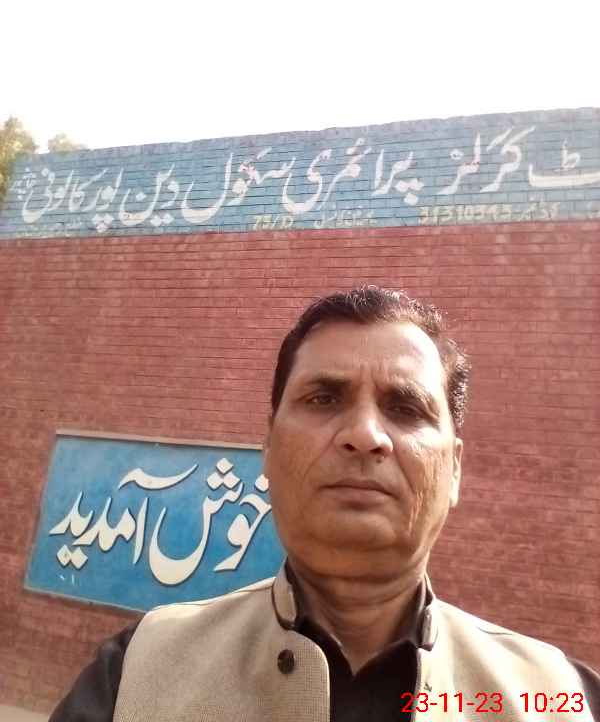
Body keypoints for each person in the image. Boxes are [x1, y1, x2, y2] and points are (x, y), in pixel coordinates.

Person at [50, 286, 599, 721]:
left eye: (405, 408)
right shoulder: (134, 675)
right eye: (323, 398)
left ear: (454, 468)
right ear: (268, 449)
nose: (364, 435)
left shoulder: (559, 699)